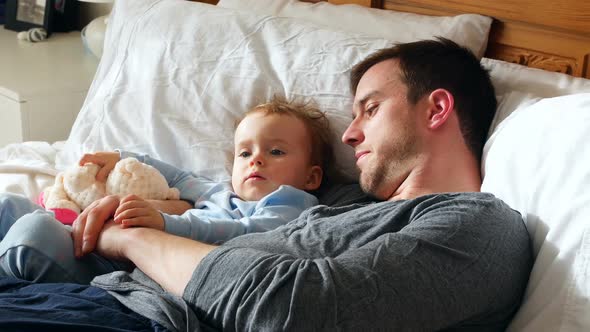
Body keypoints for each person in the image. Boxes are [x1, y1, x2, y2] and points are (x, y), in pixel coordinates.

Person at [1, 38, 533, 331]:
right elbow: (215, 194)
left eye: (370, 109)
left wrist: (133, 237)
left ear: (437, 107)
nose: (349, 134)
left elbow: (288, 307)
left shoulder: (477, 226)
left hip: (137, 320)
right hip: (81, 294)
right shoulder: (345, 205)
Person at [0, 97, 334, 284]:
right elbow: (179, 175)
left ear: (312, 177)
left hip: (118, 269)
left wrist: (165, 224)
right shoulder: (219, 192)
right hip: (96, 241)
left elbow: (245, 233)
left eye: (275, 152)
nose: (255, 161)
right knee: (9, 205)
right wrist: (120, 157)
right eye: (245, 153)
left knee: (34, 233)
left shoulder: (292, 205)